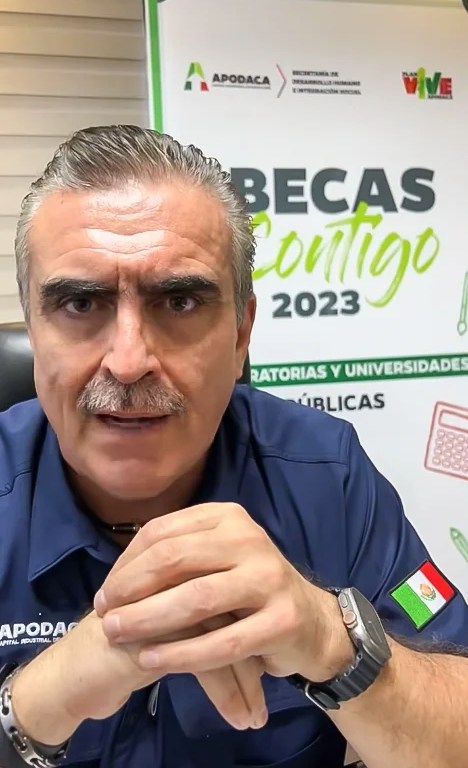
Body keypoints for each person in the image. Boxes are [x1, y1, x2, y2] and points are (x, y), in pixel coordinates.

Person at [0, 125, 466, 768]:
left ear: (242, 333)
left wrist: (336, 644)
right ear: (33, 328)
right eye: (81, 302)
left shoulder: (326, 475)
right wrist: (39, 700)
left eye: (179, 300)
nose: (129, 362)